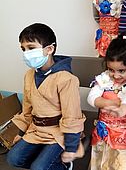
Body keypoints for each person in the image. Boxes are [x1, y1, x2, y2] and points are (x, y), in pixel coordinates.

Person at [7, 23, 86, 170]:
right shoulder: (29, 75)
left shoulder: (66, 79)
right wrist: (21, 133)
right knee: (13, 158)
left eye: (31, 48)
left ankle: (63, 165)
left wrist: (71, 147)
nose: (26, 53)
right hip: (36, 130)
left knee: (39, 167)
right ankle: (45, 159)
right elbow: (27, 109)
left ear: (49, 49)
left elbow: (72, 116)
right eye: (23, 49)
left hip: (58, 132)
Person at [87, 31, 126, 170]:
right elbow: (92, 97)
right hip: (104, 136)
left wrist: (122, 109)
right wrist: (110, 103)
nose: (116, 75)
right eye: (111, 70)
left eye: (121, 70)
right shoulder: (104, 78)